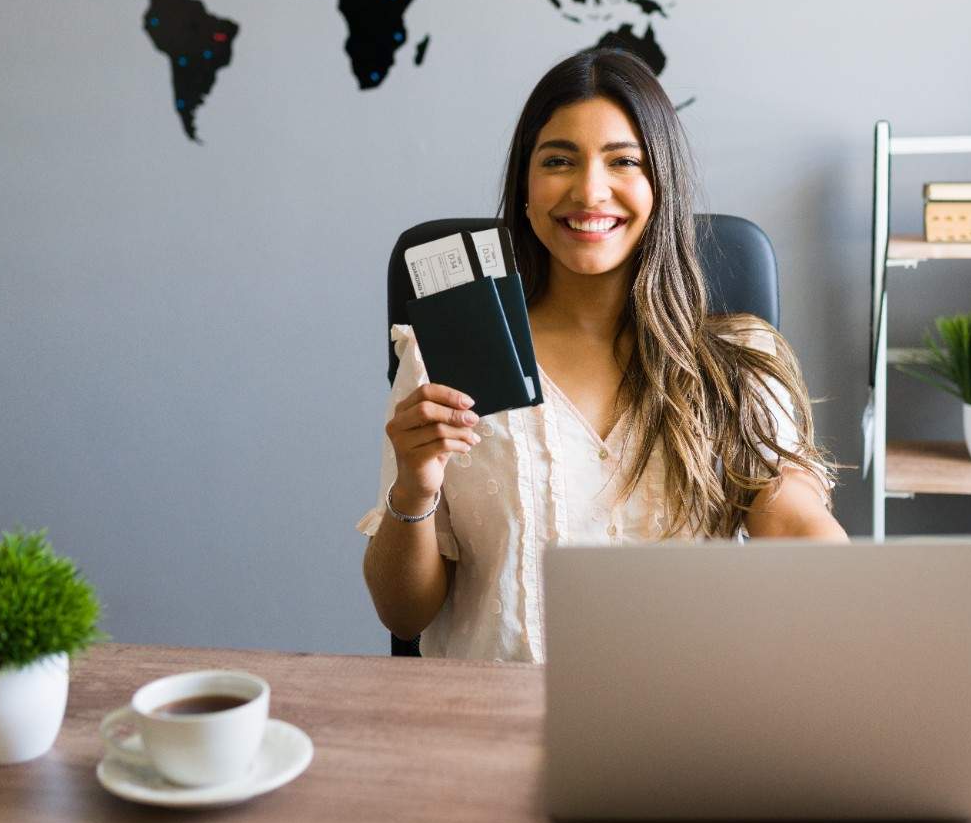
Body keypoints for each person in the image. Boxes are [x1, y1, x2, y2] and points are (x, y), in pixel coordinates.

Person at [358, 48, 845, 663]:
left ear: (660, 187)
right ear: (526, 191)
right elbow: (404, 614)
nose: (590, 191)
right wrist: (414, 485)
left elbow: (794, 520)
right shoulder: (442, 364)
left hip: (687, 723)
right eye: (558, 160)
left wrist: (860, 599)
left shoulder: (738, 361)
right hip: (487, 728)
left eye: (624, 162)